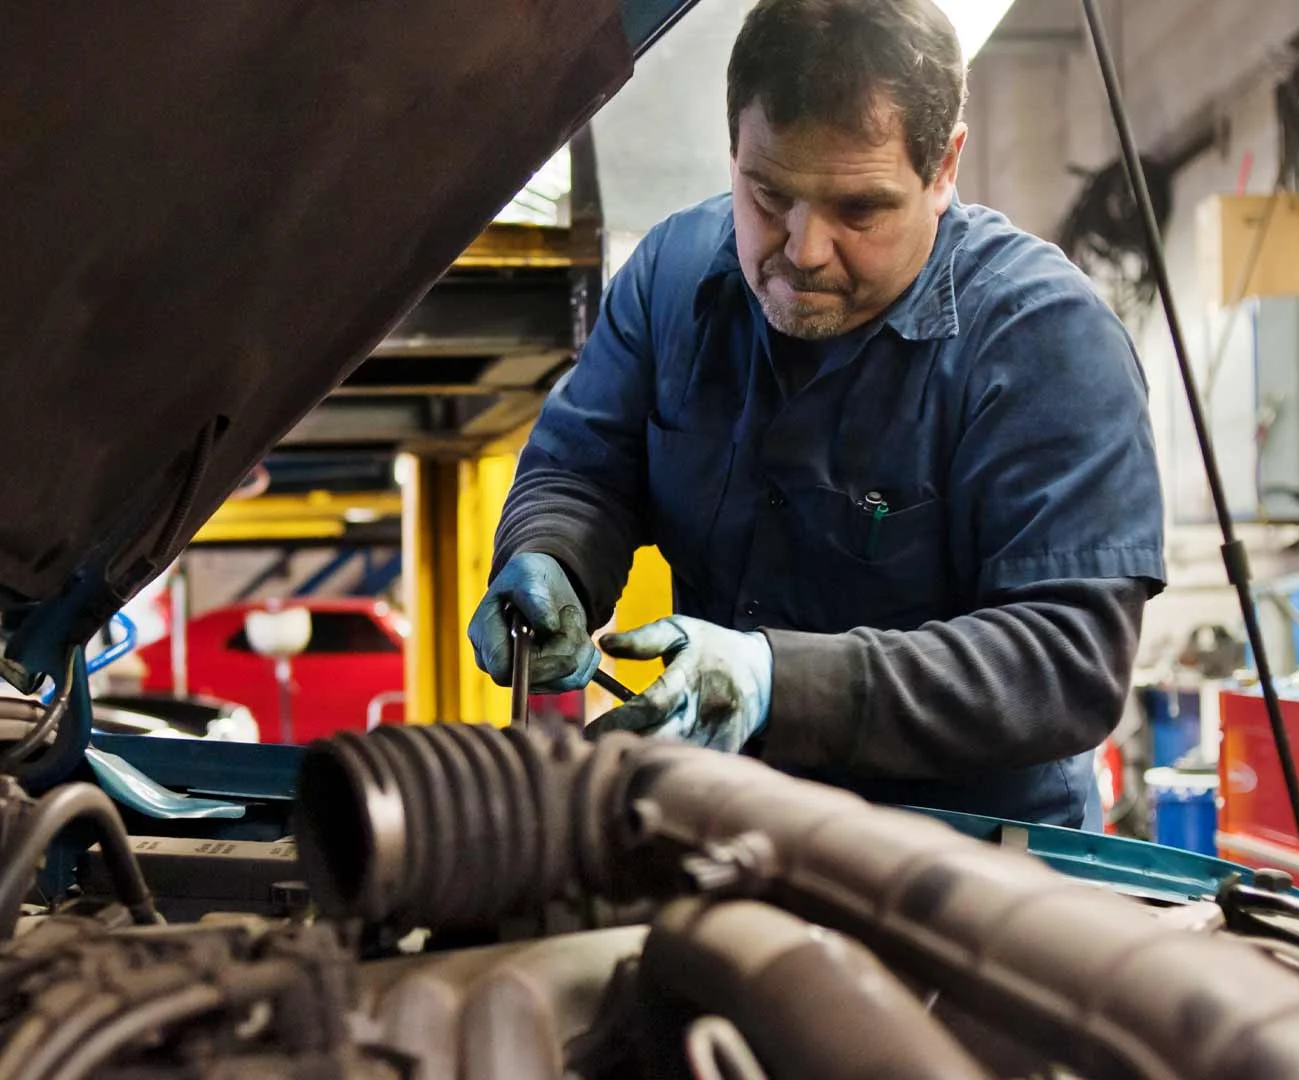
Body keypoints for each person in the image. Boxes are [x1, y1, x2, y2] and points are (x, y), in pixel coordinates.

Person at [467, 0, 1165, 829]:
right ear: (733, 148)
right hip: (720, 833)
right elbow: (583, 473)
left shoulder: (1043, 342)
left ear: (944, 169)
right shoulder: (670, 283)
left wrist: (778, 681)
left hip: (972, 884)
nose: (802, 251)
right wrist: (553, 560)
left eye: (858, 211)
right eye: (769, 196)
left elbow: (1065, 662)